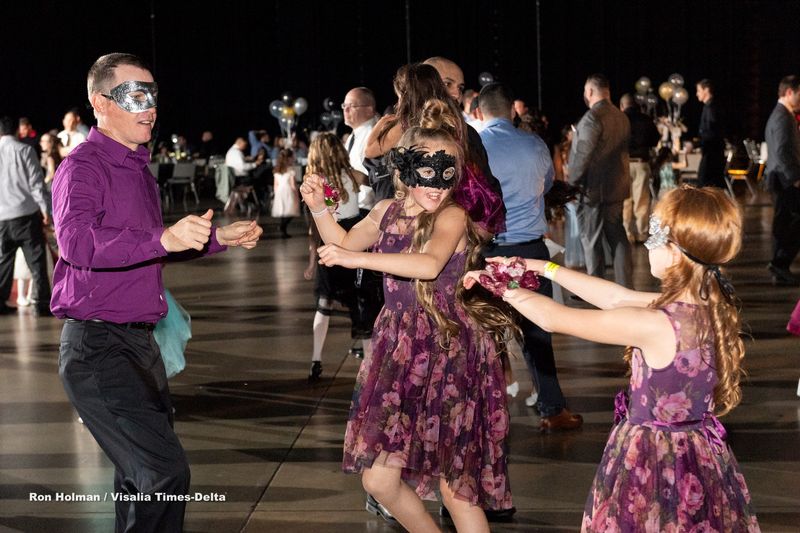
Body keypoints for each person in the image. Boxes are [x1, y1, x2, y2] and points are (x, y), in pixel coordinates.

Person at [51, 53, 263, 532]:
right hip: (98, 349)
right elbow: (76, 242)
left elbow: (148, 249)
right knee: (162, 474)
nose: (149, 107)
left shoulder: (137, 168)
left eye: (152, 95)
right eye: (134, 96)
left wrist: (216, 239)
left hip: (138, 345)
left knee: (139, 477)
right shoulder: (83, 168)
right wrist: (161, 238)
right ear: (99, 103)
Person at [467, 186, 760, 532]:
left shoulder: (655, 323)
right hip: (696, 453)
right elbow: (616, 298)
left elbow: (555, 319)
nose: (648, 244)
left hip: (654, 458)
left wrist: (501, 286)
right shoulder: (704, 307)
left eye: (655, 236)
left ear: (675, 253)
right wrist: (540, 267)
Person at [301, 99, 514, 532]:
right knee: (379, 478)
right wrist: (319, 208)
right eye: (426, 173)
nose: (437, 185)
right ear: (404, 168)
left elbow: (428, 265)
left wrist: (350, 259)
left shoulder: (452, 215)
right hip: (399, 346)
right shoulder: (385, 212)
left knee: (456, 485)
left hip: (446, 345)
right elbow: (343, 239)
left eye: (447, 172)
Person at [478, 83, 582, 431]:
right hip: (529, 251)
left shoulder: (474, 145)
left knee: (487, 334)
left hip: (488, 252)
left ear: (479, 112)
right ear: (513, 111)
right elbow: (549, 182)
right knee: (537, 333)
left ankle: (486, 413)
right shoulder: (534, 143)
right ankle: (552, 409)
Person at [303, 133, 367, 381]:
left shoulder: (317, 183)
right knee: (359, 302)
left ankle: (316, 359)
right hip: (354, 241)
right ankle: (363, 352)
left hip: (329, 242)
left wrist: (310, 261)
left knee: (324, 303)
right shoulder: (353, 175)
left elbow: (315, 226)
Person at [568, 73, 633, 288]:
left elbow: (583, 156)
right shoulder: (621, 116)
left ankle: (597, 289)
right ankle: (625, 286)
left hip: (594, 190)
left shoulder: (591, 118)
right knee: (618, 237)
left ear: (589, 92)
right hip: (618, 186)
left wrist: (571, 182)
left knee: (592, 240)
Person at [0, 115, 51, 316]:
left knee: (4, 262)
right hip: (26, 215)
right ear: (16, 131)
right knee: (36, 261)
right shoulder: (25, 150)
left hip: (2, 217)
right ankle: (41, 303)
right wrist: (45, 210)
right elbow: (36, 184)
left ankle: (0, 302)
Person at [764, 75, 800, 286]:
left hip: (783, 180)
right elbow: (782, 152)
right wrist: (796, 179)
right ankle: (779, 263)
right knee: (788, 224)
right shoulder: (782, 117)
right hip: (785, 181)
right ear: (789, 92)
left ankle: (779, 266)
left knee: (784, 225)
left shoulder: (783, 115)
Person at [620, 93, 660, 243]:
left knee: (625, 200)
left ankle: (627, 233)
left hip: (622, 164)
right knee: (642, 201)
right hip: (642, 163)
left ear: (622, 106)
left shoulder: (619, 120)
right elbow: (655, 140)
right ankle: (642, 233)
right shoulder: (646, 119)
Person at [696, 79, 726, 189]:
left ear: (706, 90)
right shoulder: (710, 107)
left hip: (712, 153)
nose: (697, 94)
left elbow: (711, 131)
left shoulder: (711, 108)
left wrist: (696, 144)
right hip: (712, 151)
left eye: (699, 90)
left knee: (705, 184)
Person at [271, 148, 300, 237]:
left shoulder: (277, 170)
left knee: (283, 211)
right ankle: (282, 227)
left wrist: (276, 194)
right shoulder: (291, 170)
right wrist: (297, 193)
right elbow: (293, 185)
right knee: (291, 210)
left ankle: (283, 229)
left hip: (279, 191)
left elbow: (275, 185)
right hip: (288, 191)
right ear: (289, 158)